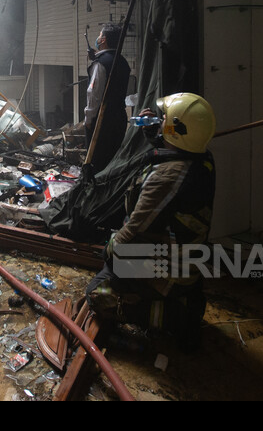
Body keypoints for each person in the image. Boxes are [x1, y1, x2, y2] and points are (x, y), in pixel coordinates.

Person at [85, 93, 217, 352]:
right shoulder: (202, 158)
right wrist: (155, 132)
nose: (161, 120)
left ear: (177, 131)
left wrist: (109, 251)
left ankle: (177, 316)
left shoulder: (168, 177)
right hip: (186, 258)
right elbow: (173, 146)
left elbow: (132, 232)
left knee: (97, 293)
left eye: (166, 119)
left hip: (168, 269)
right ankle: (184, 296)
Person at [84, 23, 131, 170]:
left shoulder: (100, 64)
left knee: (96, 162)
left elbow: (94, 94)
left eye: (99, 36)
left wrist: (88, 119)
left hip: (102, 122)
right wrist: (97, 58)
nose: (97, 39)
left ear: (103, 40)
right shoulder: (123, 62)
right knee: (112, 159)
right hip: (119, 119)